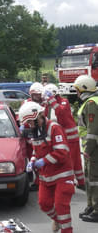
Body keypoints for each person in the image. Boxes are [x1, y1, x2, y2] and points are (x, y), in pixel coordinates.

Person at [19, 101, 75, 233]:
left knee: (62, 207)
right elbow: (35, 151)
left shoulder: (54, 128)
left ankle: (66, 230)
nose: (30, 125)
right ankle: (58, 219)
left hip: (62, 175)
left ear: (39, 116)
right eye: (29, 123)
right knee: (44, 204)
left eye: (31, 122)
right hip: (46, 176)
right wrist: (32, 161)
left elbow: (62, 152)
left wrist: (43, 161)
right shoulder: (36, 130)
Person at [43, 83, 85, 188]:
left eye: (48, 96)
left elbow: (62, 114)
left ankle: (78, 183)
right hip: (60, 138)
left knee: (73, 162)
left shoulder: (63, 102)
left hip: (70, 138)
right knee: (67, 161)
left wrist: (52, 101)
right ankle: (74, 182)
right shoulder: (48, 105)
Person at [73, 74, 98, 222]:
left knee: (94, 180)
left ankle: (97, 210)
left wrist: (87, 151)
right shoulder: (90, 102)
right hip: (91, 149)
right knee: (89, 178)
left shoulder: (91, 104)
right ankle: (91, 205)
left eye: (77, 90)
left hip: (94, 149)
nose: (76, 93)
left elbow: (92, 131)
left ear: (84, 89)